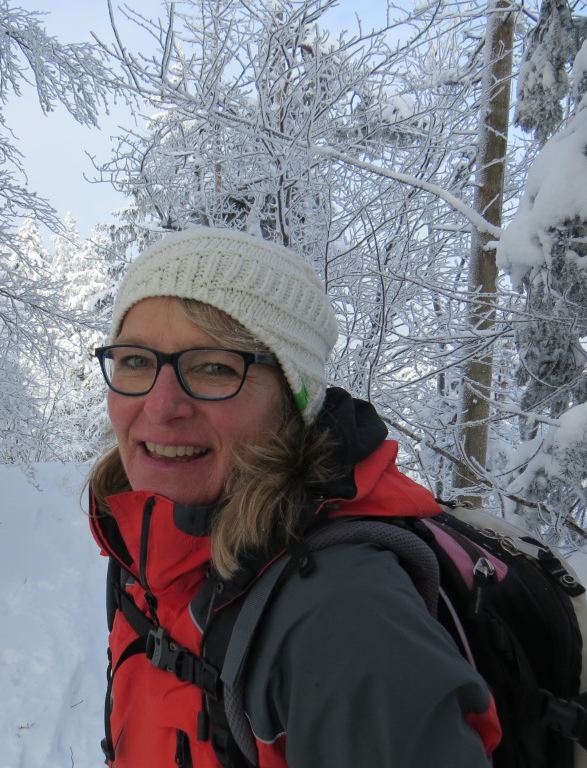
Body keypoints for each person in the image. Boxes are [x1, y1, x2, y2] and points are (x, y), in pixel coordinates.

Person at [87, 226, 500, 767]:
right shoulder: (143, 540)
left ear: (292, 399)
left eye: (214, 367)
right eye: (136, 361)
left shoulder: (346, 623)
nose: (161, 406)